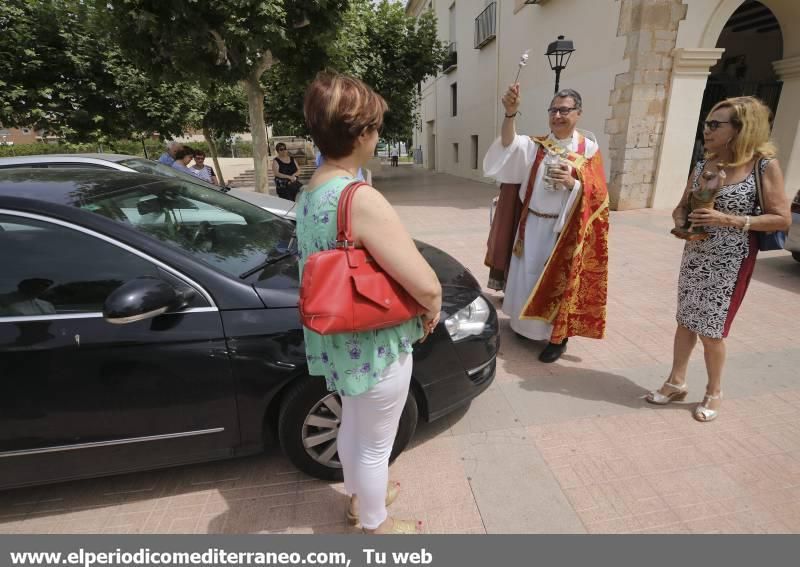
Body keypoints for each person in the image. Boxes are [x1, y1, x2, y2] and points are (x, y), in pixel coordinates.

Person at [299, 72, 441, 534]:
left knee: (353, 424)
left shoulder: (310, 191)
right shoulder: (359, 197)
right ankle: (374, 522)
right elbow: (423, 281)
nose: (378, 136)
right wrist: (433, 305)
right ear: (361, 134)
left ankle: (362, 494)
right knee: (375, 443)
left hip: (338, 338)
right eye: (376, 128)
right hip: (376, 340)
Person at [646, 96, 791, 421]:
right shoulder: (703, 165)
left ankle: (714, 391)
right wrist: (681, 218)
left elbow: (782, 218)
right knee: (685, 322)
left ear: (741, 128)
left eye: (715, 124)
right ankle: (676, 382)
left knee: (712, 331)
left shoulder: (762, 165)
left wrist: (730, 220)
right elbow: (682, 204)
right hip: (695, 254)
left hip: (731, 262)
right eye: (706, 123)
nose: (706, 130)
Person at [483, 85, 609, 363]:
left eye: (565, 110)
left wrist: (574, 184)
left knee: (557, 283)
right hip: (531, 225)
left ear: (578, 113)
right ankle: (522, 326)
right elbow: (508, 144)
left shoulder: (588, 149)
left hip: (563, 231)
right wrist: (510, 114)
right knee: (527, 278)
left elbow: (600, 193)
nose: (558, 115)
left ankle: (556, 338)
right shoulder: (535, 145)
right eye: (553, 110)